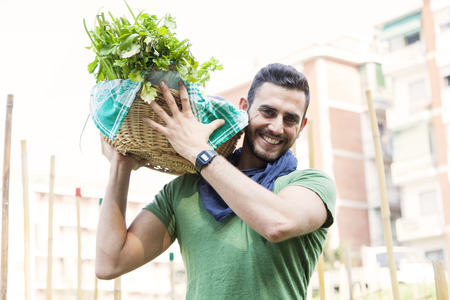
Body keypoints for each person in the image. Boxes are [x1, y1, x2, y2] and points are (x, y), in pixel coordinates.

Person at [96, 63, 337, 299]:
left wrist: (199, 152)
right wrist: (120, 166)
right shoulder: (186, 189)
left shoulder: (311, 185)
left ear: (302, 126)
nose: (276, 127)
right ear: (244, 108)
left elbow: (277, 224)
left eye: (290, 119)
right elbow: (110, 263)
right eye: (268, 112)